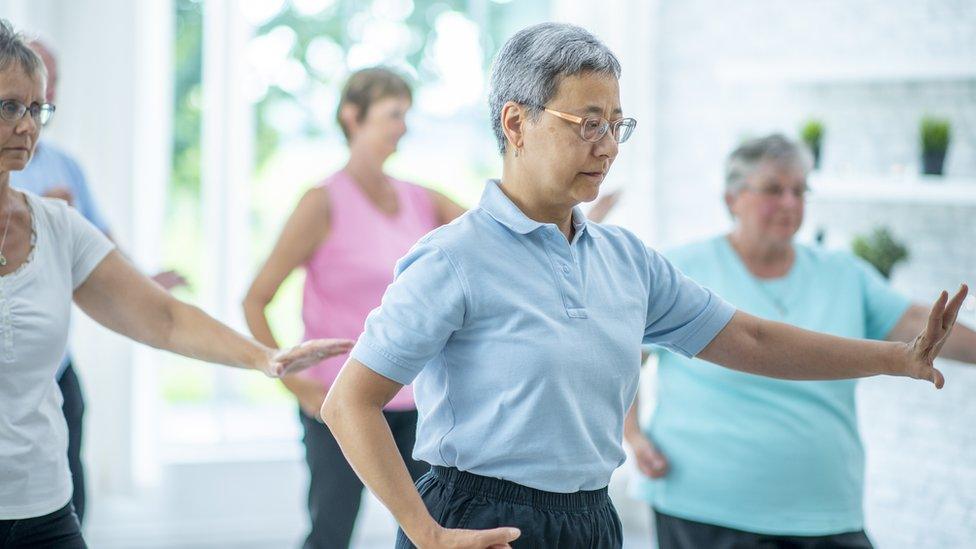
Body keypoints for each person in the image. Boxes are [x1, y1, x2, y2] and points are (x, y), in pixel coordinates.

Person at [318, 23, 967, 549]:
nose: (607, 146)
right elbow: (349, 402)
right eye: (587, 123)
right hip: (480, 519)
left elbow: (751, 336)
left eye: (617, 125)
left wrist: (893, 358)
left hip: (593, 518)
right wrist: (427, 534)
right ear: (516, 124)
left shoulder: (627, 259)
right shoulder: (453, 258)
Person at [0, 19, 353, 549]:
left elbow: (163, 318)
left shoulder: (57, 225)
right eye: (10, 107)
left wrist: (263, 357)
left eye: (36, 110)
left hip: (42, 507)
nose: (27, 126)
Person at [243, 66, 623, 548]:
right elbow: (255, 299)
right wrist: (297, 387)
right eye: (392, 114)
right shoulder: (322, 203)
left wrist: (578, 216)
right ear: (352, 117)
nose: (403, 125)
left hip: (415, 402)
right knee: (331, 530)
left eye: (407, 114)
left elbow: (504, 237)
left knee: (430, 531)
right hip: (344, 399)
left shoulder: (419, 197)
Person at [624, 134, 976, 549]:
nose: (790, 202)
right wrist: (633, 433)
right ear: (732, 198)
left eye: (800, 191)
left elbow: (920, 321)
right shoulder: (682, 268)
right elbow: (627, 355)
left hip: (826, 510)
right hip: (704, 506)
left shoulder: (844, 273)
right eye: (774, 190)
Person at [8, 39, 186, 524]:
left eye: (44, 92)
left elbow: (102, 248)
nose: (29, 114)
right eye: (12, 101)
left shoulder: (65, 166)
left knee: (69, 488)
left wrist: (143, 283)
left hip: (53, 364)